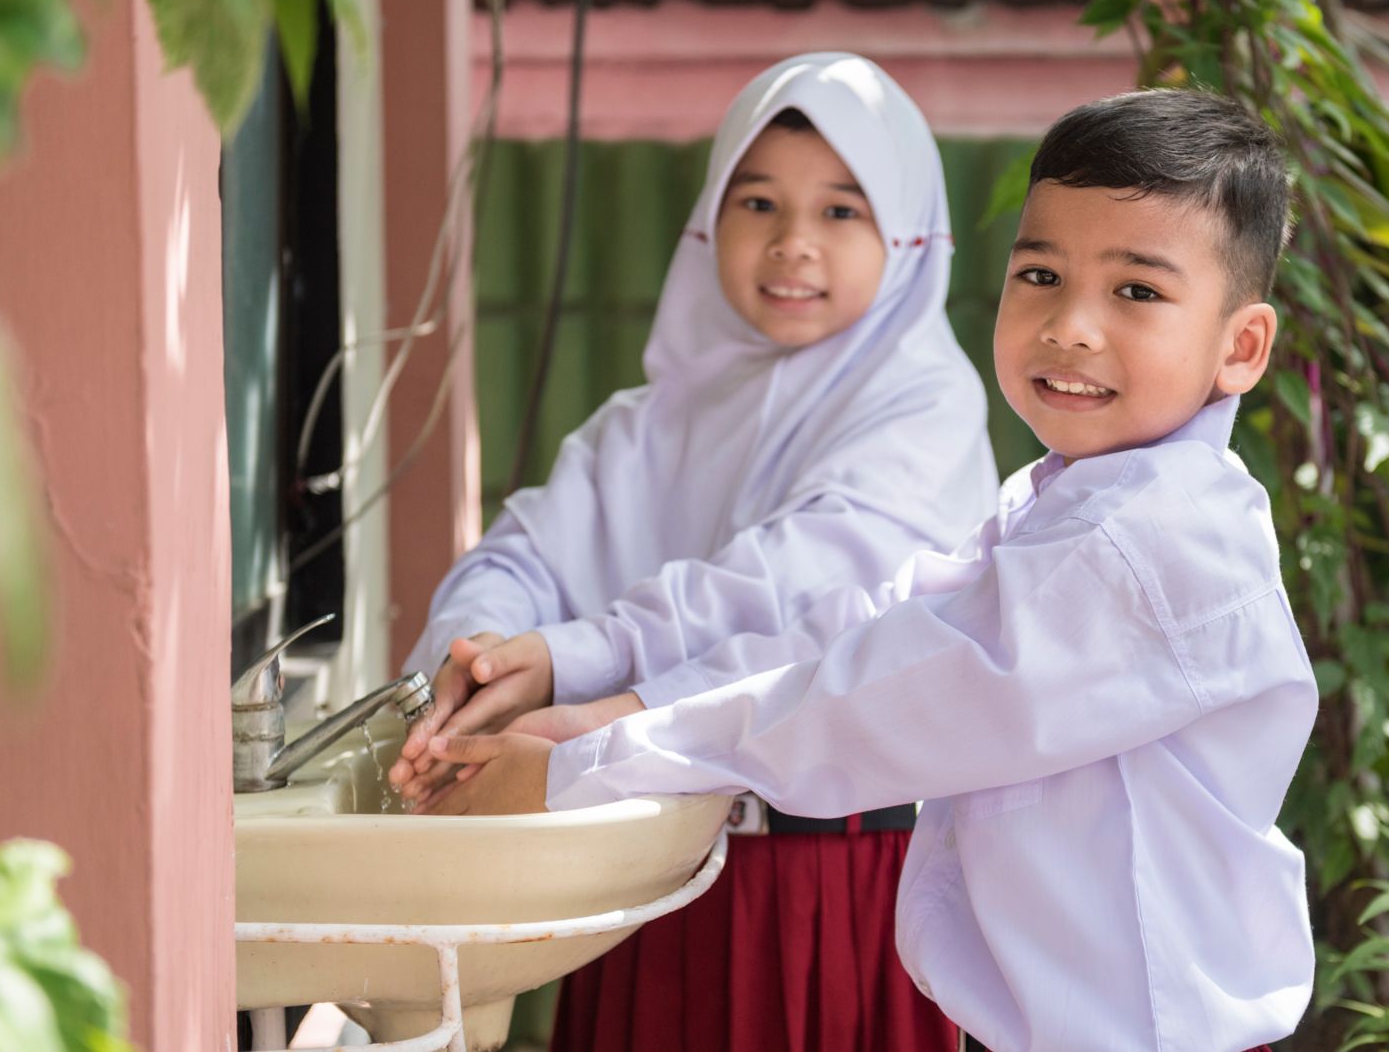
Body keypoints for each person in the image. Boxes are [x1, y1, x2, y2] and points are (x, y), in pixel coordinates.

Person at [427, 88, 1318, 1052]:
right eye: (1040, 274)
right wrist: (610, 716)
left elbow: (874, 696)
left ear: (1241, 348)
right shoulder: (1063, 499)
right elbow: (872, 622)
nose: (1072, 326)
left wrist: (588, 757)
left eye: (1136, 291)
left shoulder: (1142, 544)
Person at [395, 53, 995, 1052]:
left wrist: (579, 659)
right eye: (757, 201)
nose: (793, 244)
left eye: (843, 212)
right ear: (711, 218)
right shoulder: (653, 421)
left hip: (832, 891)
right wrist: (484, 657)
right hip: (642, 882)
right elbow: (521, 555)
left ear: (909, 232)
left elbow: (810, 589)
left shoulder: (921, 406)